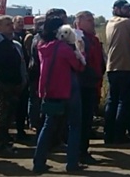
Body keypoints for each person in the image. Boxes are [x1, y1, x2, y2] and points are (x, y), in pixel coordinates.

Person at [32, 16, 86, 173]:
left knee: (48, 126)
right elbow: (79, 66)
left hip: (50, 91)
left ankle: (39, 162)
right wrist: (80, 51)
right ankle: (72, 163)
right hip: (69, 90)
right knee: (74, 126)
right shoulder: (64, 48)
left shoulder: (42, 47)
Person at [0, 15, 26, 157]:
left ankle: (3, 143)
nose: (11, 26)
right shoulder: (0, 42)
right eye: (7, 24)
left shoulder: (8, 41)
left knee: (6, 116)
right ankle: (0, 147)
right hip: (5, 83)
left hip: (10, 83)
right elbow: (4, 66)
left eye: (10, 23)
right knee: (3, 116)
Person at [104, 0, 130, 144]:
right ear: (116, 9)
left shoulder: (110, 23)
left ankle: (109, 133)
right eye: (125, 9)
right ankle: (119, 134)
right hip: (125, 66)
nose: (128, 12)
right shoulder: (125, 23)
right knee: (124, 102)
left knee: (112, 101)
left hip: (112, 67)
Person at [75, 11, 105, 164]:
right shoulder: (78, 38)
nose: (92, 22)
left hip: (93, 83)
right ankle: (80, 152)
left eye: (92, 19)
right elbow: (81, 61)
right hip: (83, 84)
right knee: (82, 120)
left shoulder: (93, 39)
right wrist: (92, 75)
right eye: (88, 20)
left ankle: (82, 150)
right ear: (79, 22)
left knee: (87, 119)